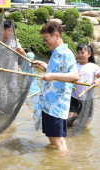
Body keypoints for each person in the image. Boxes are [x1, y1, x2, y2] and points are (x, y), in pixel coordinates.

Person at [32, 22, 79, 151]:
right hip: (48, 103)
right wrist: (44, 66)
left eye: (46, 39)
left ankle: (63, 163)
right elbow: (59, 72)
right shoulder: (54, 52)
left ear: (56, 36)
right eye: (44, 39)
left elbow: (75, 76)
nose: (45, 42)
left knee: (59, 142)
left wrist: (52, 76)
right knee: (52, 138)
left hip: (57, 106)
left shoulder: (66, 54)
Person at [68, 44, 100, 126]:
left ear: (89, 54)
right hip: (74, 96)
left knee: (84, 125)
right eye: (78, 53)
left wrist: (98, 81)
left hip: (88, 98)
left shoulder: (94, 67)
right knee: (69, 120)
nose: (80, 55)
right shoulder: (74, 66)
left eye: (82, 53)